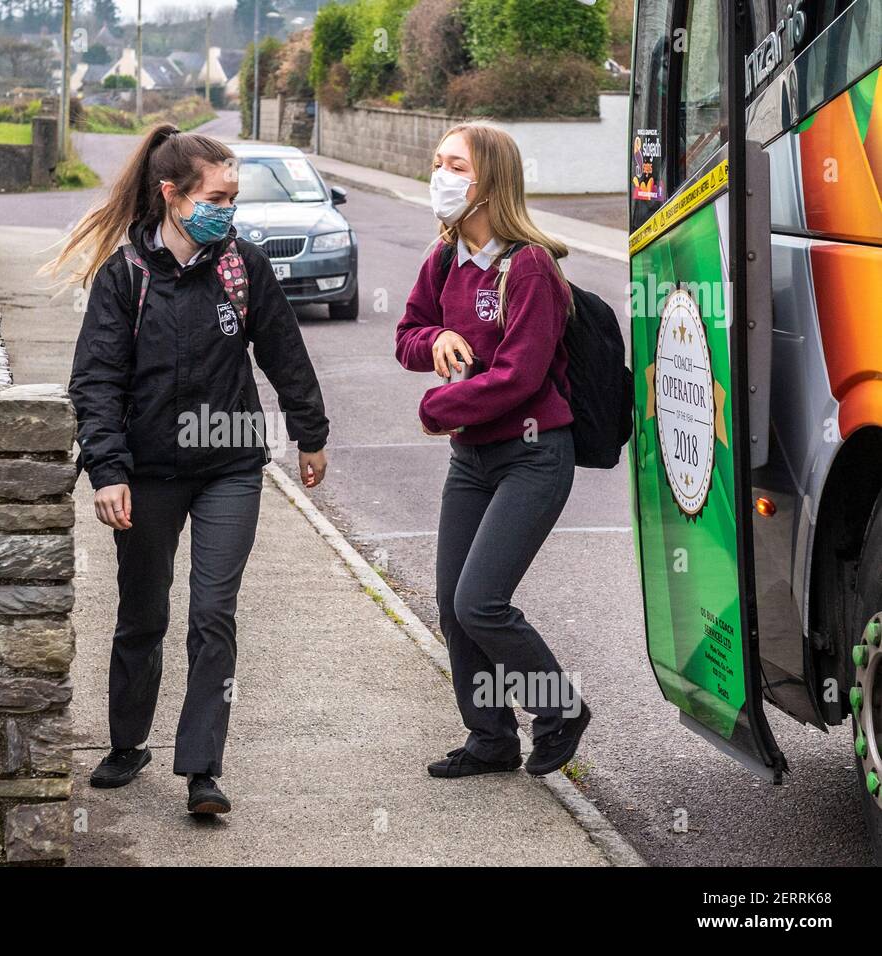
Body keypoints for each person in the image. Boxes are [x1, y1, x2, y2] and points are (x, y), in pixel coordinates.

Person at [56, 124, 330, 815]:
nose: (228, 210)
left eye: (234, 197)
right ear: (172, 195)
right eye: (217, 196)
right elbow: (95, 383)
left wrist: (310, 433)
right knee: (143, 610)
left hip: (229, 467)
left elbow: (285, 354)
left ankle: (202, 769)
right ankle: (126, 743)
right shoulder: (125, 277)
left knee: (213, 614)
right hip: (145, 472)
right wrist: (108, 470)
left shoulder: (243, 267)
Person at [394, 123, 590, 779]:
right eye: (437, 162)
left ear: (490, 184)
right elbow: (407, 335)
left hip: (533, 457)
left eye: (456, 166)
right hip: (472, 459)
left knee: (481, 602)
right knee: (454, 607)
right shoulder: (445, 257)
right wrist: (437, 339)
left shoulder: (529, 266)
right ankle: (491, 740)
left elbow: (521, 375)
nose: (440, 175)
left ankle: (558, 710)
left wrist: (435, 407)